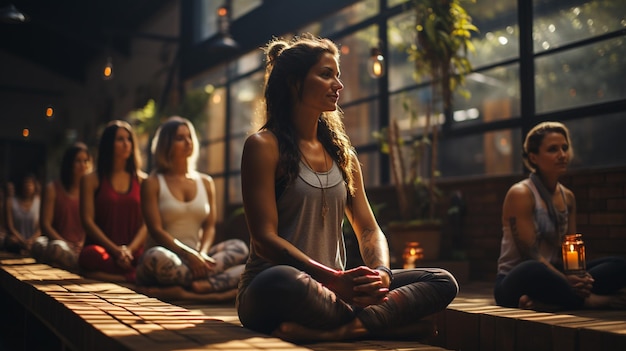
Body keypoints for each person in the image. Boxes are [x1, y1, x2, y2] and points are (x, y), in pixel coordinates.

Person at [236, 34, 458, 343]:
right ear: (293, 81)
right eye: (326, 74)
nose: (338, 84)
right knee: (279, 279)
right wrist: (333, 280)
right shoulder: (263, 146)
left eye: (337, 75)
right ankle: (392, 324)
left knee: (441, 280)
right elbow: (264, 241)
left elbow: (368, 227)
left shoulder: (343, 156)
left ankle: (346, 329)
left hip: (336, 293)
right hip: (278, 290)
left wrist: (381, 273)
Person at [495, 121, 626, 310]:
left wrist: (579, 276)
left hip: (557, 274)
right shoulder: (521, 193)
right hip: (519, 280)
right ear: (533, 157)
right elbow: (530, 254)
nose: (562, 155)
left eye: (565, 148)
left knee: (619, 265)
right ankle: (589, 301)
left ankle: (548, 301)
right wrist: (566, 279)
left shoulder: (568, 197)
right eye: (552, 149)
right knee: (533, 269)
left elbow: (569, 250)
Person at [135, 116, 249, 302]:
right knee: (155, 257)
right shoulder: (152, 182)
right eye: (180, 138)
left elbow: (210, 226)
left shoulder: (205, 182)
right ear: (166, 145)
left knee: (240, 248)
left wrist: (202, 254)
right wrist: (189, 255)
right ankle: (213, 289)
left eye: (189, 137)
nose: (187, 142)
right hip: (169, 259)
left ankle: (186, 291)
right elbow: (155, 230)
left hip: (197, 259)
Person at [78, 120, 147, 283]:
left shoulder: (142, 180)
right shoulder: (91, 180)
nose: (126, 144)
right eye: (120, 139)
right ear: (109, 144)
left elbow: (147, 224)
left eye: (129, 139)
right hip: (104, 250)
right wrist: (115, 251)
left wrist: (128, 250)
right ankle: (128, 277)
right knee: (91, 255)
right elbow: (87, 221)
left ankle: (114, 276)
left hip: (132, 252)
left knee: (149, 258)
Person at [32, 142, 92, 270]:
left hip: (81, 247)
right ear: (69, 164)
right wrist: (65, 243)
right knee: (42, 245)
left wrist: (82, 243)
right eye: (78, 161)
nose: (83, 165)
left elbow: (92, 224)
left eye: (86, 161)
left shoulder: (91, 192)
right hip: (57, 242)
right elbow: (45, 224)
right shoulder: (53, 189)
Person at [4, 173, 41, 255]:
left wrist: (31, 240)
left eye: (30, 183)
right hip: (17, 241)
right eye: (26, 183)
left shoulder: (39, 202)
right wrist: (23, 241)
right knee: (11, 240)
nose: (28, 186)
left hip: (34, 241)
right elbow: (10, 227)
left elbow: (40, 228)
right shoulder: (10, 202)